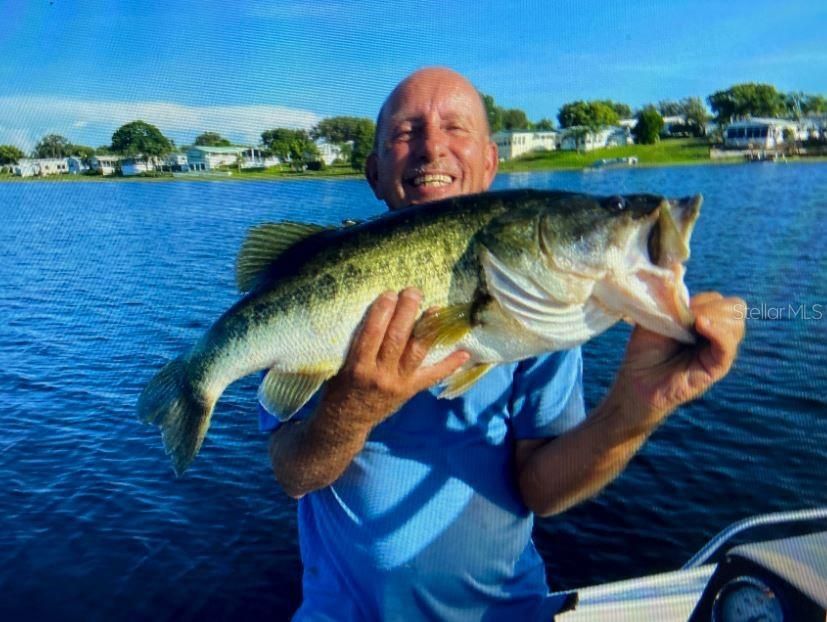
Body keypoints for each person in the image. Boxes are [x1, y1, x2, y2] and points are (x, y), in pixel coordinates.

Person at [262, 67, 746, 620]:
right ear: (374, 172)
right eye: (405, 132)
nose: (431, 148)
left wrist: (637, 407)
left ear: (491, 163)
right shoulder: (319, 285)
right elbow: (292, 473)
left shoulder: (541, 309)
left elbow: (541, 489)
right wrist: (353, 410)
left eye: (455, 128)